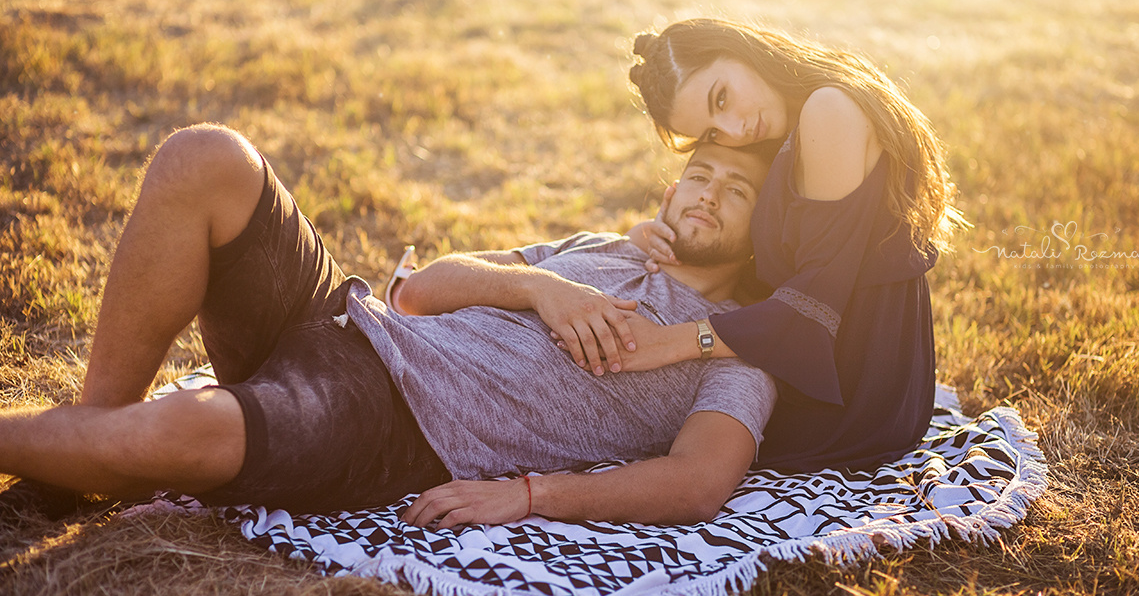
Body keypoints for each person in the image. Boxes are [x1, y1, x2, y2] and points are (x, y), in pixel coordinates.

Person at [0, 125, 776, 527]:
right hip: (347, 315)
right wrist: (541, 287)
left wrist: (533, 496)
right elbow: (419, 292)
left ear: (768, 223)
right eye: (699, 175)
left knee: (181, 432)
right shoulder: (601, 246)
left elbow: (699, 483)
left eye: (735, 190)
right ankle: (88, 438)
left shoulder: (742, 344)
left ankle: (80, 450)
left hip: (396, 423)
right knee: (205, 157)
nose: (706, 195)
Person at [594, 17, 967, 474]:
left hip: (854, 386)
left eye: (722, 98)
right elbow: (778, 253)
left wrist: (670, 341)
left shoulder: (829, 111)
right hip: (800, 348)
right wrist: (655, 236)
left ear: (739, 48)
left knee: (650, 414)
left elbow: (815, 302)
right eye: (712, 133)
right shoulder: (779, 127)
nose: (735, 129)